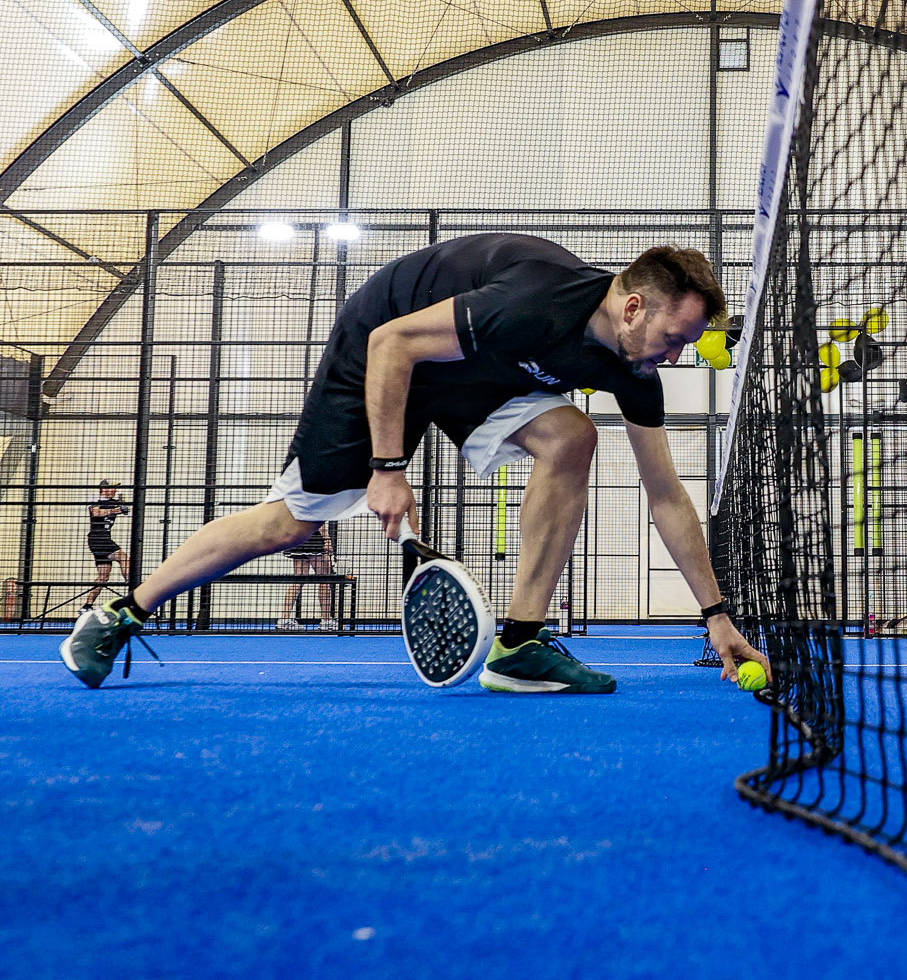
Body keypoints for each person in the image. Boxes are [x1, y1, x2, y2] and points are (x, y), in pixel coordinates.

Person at [60, 236, 770, 694]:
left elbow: (666, 495)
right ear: (634, 307)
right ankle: (121, 610)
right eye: (672, 340)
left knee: (571, 437)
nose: (673, 358)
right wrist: (388, 466)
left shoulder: (630, 368)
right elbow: (395, 345)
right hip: (383, 342)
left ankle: (519, 645)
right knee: (287, 525)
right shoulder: (529, 306)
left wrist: (715, 614)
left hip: (473, 374)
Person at [277, 522, 336, 631]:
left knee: (298, 581)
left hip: (299, 539)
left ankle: (284, 620)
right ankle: (326, 621)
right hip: (314, 540)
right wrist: (327, 540)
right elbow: (320, 521)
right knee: (324, 580)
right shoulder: (317, 505)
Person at [84, 481, 130, 603]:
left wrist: (123, 506)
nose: (114, 490)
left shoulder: (113, 502)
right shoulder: (95, 499)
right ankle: (132, 589)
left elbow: (126, 510)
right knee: (124, 558)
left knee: (103, 577)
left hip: (102, 539)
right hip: (98, 539)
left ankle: (87, 606)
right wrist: (115, 510)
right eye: (112, 488)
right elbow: (96, 512)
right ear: (104, 489)